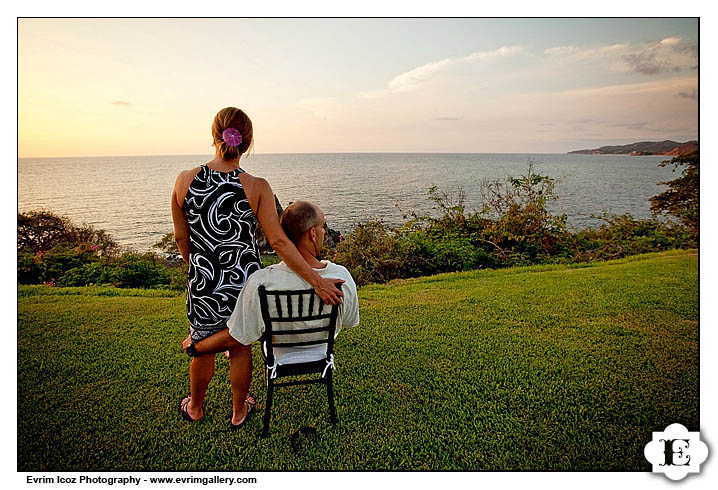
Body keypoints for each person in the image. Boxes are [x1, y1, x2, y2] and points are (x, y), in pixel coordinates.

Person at [172, 107, 344, 424]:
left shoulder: (184, 181)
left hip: (203, 282)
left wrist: (199, 265)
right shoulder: (257, 186)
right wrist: (317, 280)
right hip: (244, 284)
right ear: (248, 144)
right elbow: (279, 242)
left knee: (203, 344)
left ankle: (195, 407)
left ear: (214, 136)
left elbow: (182, 239)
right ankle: (239, 411)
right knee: (240, 345)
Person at [182, 201, 359, 428]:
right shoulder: (340, 275)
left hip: (279, 352)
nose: (325, 232)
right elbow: (351, 320)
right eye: (323, 227)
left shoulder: (262, 281)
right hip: (320, 350)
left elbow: (239, 336)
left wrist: (197, 346)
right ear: (312, 234)